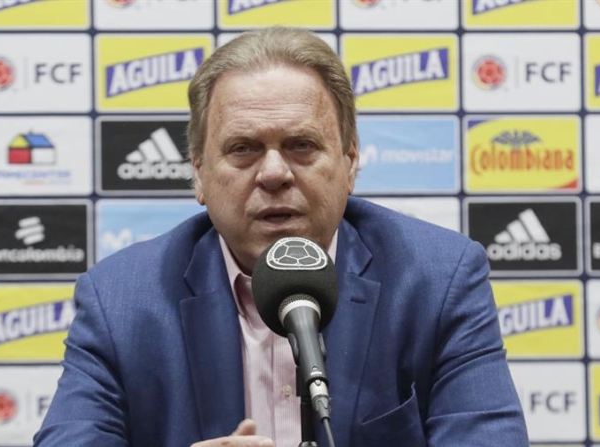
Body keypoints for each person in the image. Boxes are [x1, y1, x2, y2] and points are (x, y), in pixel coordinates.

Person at [34, 27, 528, 447]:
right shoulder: (122, 301)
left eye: (302, 145)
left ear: (350, 161)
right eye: (243, 148)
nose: (274, 173)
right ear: (200, 174)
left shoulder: (437, 280)